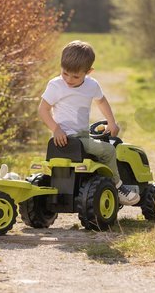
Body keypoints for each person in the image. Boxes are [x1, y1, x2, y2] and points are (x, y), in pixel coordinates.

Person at [38, 40, 140, 206]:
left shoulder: (91, 85)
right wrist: (56, 129)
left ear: (89, 72)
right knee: (108, 150)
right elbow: (43, 109)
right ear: (61, 67)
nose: (69, 79)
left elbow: (101, 101)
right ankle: (118, 186)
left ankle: (97, 183)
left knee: (96, 144)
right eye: (65, 73)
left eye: (76, 76)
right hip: (68, 137)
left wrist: (111, 122)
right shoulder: (56, 85)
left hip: (83, 136)